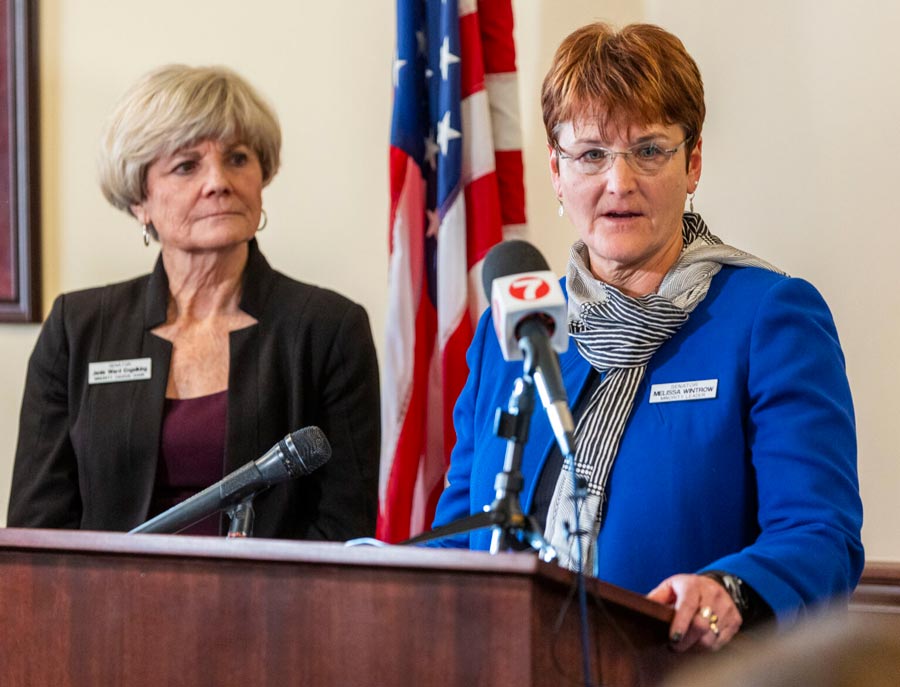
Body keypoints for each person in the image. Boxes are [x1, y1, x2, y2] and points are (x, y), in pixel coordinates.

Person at [430, 23, 863, 651]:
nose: (618, 182)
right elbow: (460, 531)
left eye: (649, 150)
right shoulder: (516, 330)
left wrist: (729, 590)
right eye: (591, 154)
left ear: (693, 164)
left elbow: (821, 536)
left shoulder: (768, 316)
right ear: (556, 170)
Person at [7, 65, 380, 540]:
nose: (219, 181)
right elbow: (38, 530)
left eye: (238, 158)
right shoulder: (77, 328)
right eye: (187, 166)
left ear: (262, 177)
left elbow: (343, 529)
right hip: (103, 610)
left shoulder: (328, 328)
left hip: (271, 612)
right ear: (140, 199)